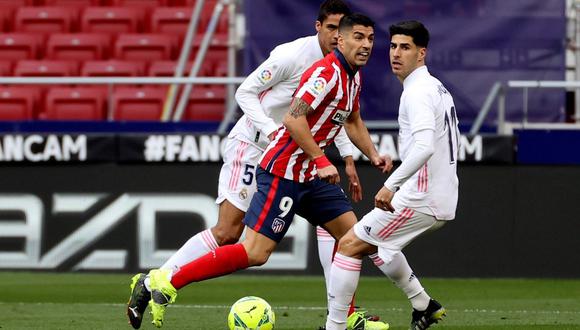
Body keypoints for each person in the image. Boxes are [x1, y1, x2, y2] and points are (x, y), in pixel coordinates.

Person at [125, 2, 388, 330]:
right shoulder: (295, 58)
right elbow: (247, 92)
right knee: (231, 234)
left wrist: (353, 156)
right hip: (257, 148)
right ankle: (160, 281)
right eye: (335, 29)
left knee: (347, 234)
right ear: (319, 27)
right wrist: (272, 130)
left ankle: (343, 317)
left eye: (360, 35)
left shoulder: (348, 72)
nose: (340, 36)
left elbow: (340, 116)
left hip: (303, 158)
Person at [324, 20, 460, 330]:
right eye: (393, 46)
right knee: (381, 247)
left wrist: (391, 185)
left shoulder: (419, 92)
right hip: (432, 193)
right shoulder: (434, 87)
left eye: (406, 47)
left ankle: (335, 327)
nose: (396, 53)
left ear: (421, 53)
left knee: (349, 244)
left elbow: (425, 146)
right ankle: (424, 306)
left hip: (422, 198)